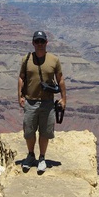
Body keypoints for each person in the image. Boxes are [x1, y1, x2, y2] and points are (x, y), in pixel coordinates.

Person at [18, 30, 66, 172]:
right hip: (30, 101)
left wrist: (63, 98)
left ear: (46, 43)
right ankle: (31, 155)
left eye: (42, 41)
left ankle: (42, 158)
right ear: (33, 43)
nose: (40, 44)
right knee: (29, 131)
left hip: (48, 102)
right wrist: (19, 95)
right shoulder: (26, 59)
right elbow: (21, 78)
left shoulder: (54, 60)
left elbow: (60, 79)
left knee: (45, 132)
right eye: (37, 41)